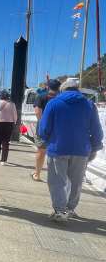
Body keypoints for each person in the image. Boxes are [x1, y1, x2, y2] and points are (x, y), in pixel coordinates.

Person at [38, 78, 104, 222]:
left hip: (58, 147)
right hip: (82, 149)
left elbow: (44, 128)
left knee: (57, 181)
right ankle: (70, 208)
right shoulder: (89, 104)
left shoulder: (53, 103)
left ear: (62, 90)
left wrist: (45, 139)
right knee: (76, 181)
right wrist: (95, 146)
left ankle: (60, 211)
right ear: (77, 90)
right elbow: (96, 130)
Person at [32, 79, 61, 181]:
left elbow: (37, 112)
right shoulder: (61, 98)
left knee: (41, 151)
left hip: (43, 128)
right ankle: (55, 176)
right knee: (56, 152)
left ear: (48, 87)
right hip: (57, 129)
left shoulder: (41, 97)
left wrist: (43, 123)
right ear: (59, 88)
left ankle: (37, 174)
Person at [0, 90, 17, 164]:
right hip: (9, 124)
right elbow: (15, 115)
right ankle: (4, 160)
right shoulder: (12, 104)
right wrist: (14, 122)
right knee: (6, 142)